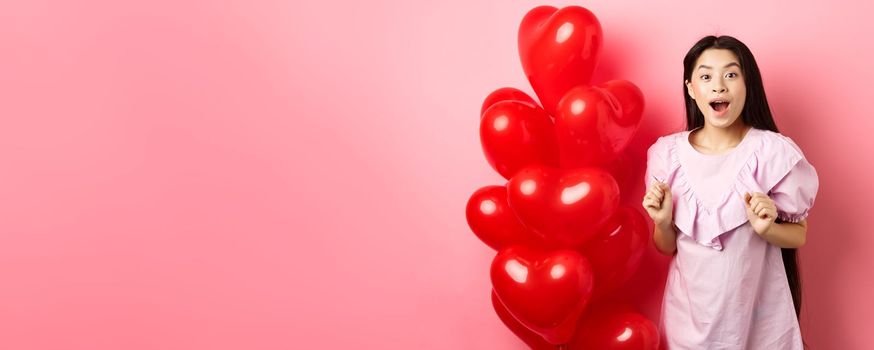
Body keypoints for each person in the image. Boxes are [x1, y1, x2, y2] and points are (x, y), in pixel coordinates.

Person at [641, 35, 819, 349]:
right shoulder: (666, 155)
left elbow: (799, 235)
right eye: (706, 76)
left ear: (747, 84)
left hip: (759, 323)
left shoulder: (773, 153)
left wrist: (768, 228)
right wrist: (663, 221)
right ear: (691, 88)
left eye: (731, 74)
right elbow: (666, 247)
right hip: (687, 325)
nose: (719, 86)